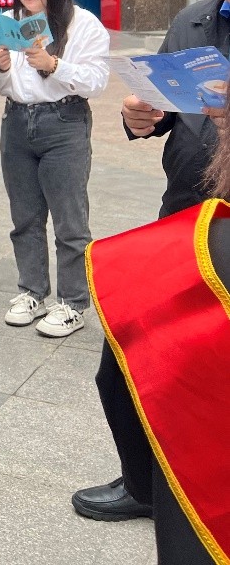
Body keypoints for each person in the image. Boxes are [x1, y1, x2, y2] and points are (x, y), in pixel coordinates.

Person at [72, 0, 230, 525]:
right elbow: (165, 108)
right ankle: (144, 482)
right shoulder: (193, 20)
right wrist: (143, 118)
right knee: (129, 359)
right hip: (183, 219)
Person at [81, 152, 230, 563]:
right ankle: (143, 487)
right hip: (194, 221)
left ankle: (152, 491)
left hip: (203, 247)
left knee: (181, 410)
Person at [0, 0, 109, 337]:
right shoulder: (8, 22)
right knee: (24, 217)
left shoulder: (83, 24)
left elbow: (96, 80)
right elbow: (2, 83)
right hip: (17, 121)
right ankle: (31, 292)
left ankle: (73, 302)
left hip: (64, 121)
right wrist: (3, 68)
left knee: (69, 219)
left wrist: (53, 64)